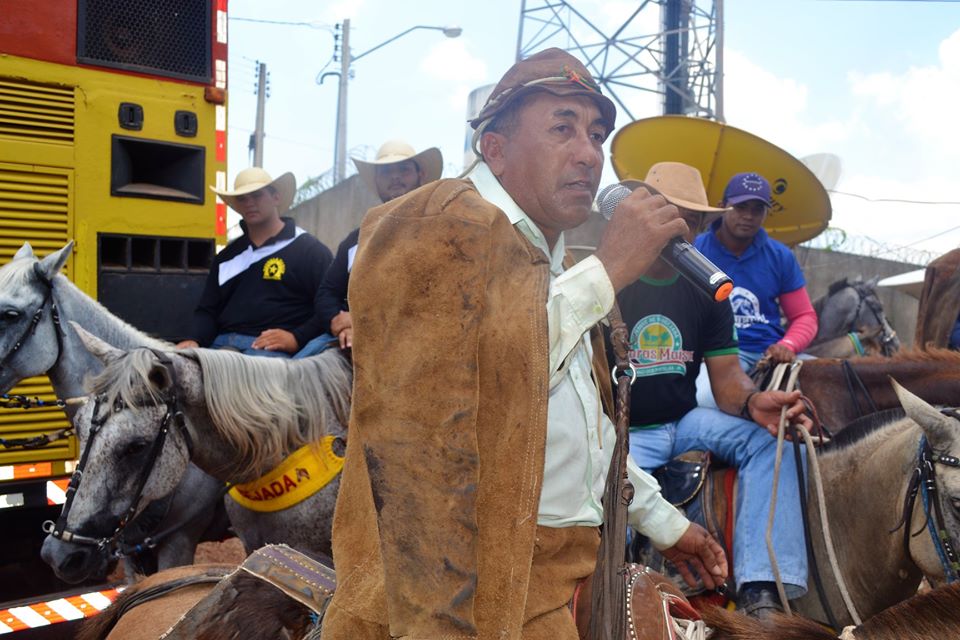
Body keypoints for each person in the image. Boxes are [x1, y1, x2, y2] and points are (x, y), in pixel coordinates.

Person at [321, 49, 727, 640]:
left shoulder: (550, 262)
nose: (588, 153)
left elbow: (578, 435)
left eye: (595, 134)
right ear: (496, 148)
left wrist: (666, 524)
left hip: (557, 577)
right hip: (479, 592)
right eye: (562, 127)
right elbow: (429, 439)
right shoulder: (436, 217)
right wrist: (608, 271)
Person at [616, 161, 813, 619]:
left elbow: (726, 379)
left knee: (777, 442)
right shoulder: (613, 279)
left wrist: (751, 402)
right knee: (604, 500)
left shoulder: (710, 289)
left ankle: (763, 589)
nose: (681, 226)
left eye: (693, 217)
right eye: (669, 211)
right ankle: (614, 593)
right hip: (627, 433)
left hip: (684, 421)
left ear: (702, 224)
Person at [176, 168, 334, 358]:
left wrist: (296, 338)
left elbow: (331, 305)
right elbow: (207, 311)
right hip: (221, 346)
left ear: (276, 197)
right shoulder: (226, 257)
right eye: (242, 198)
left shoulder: (310, 250)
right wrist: (195, 339)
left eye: (256, 195)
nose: (249, 203)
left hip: (271, 354)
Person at [314, 140, 442, 349]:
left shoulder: (439, 233)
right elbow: (327, 293)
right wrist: (340, 324)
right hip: (347, 341)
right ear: (376, 180)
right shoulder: (355, 240)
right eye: (386, 171)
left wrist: (360, 321)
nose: (395, 177)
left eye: (404, 169)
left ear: (421, 175)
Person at [694, 172, 818, 372]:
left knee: (835, 381)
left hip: (769, 354)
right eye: (740, 207)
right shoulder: (695, 251)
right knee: (705, 398)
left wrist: (787, 345)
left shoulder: (780, 256)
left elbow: (804, 316)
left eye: (757, 209)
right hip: (716, 354)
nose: (748, 216)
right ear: (722, 206)